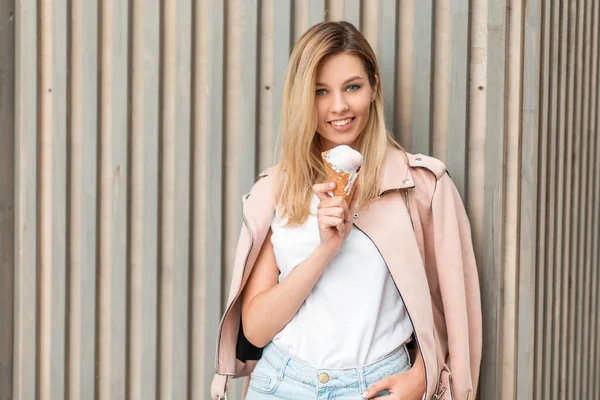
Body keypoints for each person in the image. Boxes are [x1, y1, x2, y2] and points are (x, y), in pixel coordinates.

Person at [211, 21, 481, 400]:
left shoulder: (419, 186)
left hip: (376, 386)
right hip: (281, 385)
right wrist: (325, 249)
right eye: (321, 91)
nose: (338, 106)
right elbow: (255, 330)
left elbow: (453, 311)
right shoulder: (278, 190)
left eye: (352, 87)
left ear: (373, 87)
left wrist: (421, 376)